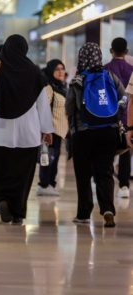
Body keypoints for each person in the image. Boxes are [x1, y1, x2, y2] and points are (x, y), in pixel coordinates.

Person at [0, 34, 53, 225]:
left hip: (1, 133)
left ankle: (1, 201)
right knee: (23, 176)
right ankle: (17, 211)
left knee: (0, 172)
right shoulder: (34, 72)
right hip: (29, 133)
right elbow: (42, 104)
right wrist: (46, 129)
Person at [66, 42, 126, 228]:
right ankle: (108, 209)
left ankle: (84, 213)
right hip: (108, 131)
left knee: (83, 175)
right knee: (105, 173)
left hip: (84, 134)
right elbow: (122, 98)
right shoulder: (110, 76)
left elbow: (70, 108)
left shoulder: (77, 80)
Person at [104, 37, 133, 199]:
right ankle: (124, 186)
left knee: (107, 150)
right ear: (126, 52)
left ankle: (104, 179)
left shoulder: (105, 69)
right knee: (125, 151)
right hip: (127, 116)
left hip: (107, 116)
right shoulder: (132, 70)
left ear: (111, 51)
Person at [36, 59, 69, 196]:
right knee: (48, 158)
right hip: (50, 130)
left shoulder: (62, 87)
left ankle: (49, 184)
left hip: (59, 131)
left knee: (53, 158)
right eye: (57, 69)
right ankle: (44, 185)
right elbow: (42, 108)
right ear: (50, 71)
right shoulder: (49, 88)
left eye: (62, 68)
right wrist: (45, 130)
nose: (61, 72)